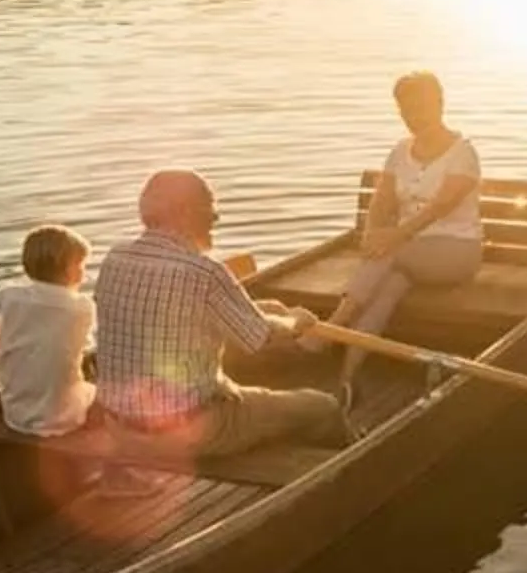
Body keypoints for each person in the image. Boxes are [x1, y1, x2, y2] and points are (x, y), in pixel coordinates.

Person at [90, 169, 347, 455]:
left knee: (235, 350)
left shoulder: (115, 258)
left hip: (120, 426)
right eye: (210, 212)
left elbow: (169, 312)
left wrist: (263, 311)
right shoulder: (205, 272)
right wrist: (296, 322)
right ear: (185, 213)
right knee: (322, 407)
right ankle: (348, 450)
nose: (215, 220)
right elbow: (262, 338)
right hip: (190, 431)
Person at [332, 70, 483, 400]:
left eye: (420, 107)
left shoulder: (463, 153)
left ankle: (332, 326)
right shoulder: (400, 151)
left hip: (456, 251)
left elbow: (439, 208)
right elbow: (382, 200)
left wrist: (391, 239)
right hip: (407, 253)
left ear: (439, 104)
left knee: (390, 255)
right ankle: (347, 375)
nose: (413, 116)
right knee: (388, 289)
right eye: (405, 109)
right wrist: (373, 233)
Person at [0, 224, 97, 438]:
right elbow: (87, 346)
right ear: (68, 269)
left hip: (15, 416)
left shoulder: (9, 297)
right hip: (66, 418)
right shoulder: (82, 307)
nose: (85, 273)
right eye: (82, 265)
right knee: (94, 383)